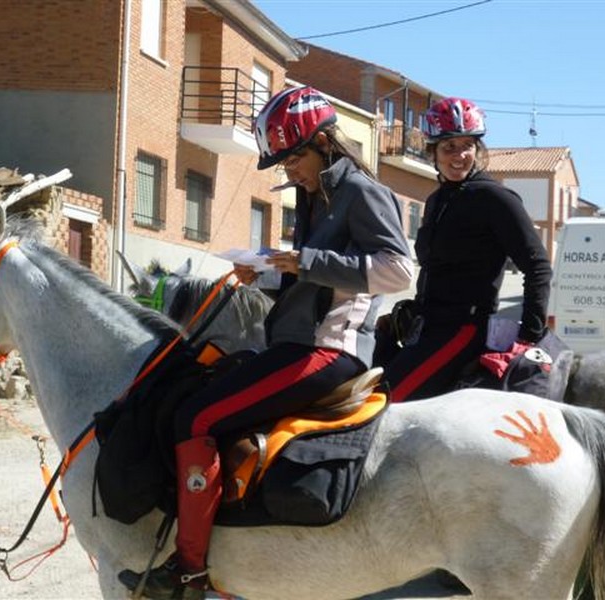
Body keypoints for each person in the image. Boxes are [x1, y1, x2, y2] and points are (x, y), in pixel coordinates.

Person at [119, 85, 413, 599]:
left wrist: (304, 262)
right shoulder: (313, 196)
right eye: (283, 162)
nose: (289, 170)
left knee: (198, 419)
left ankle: (190, 571)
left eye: (293, 157)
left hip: (329, 351)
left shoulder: (362, 192)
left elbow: (398, 271)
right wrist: (269, 275)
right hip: (296, 342)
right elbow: (317, 280)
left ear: (324, 142)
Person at [380, 96, 552, 403]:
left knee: (386, 400)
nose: (459, 155)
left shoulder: (496, 198)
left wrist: (529, 335)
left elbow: (538, 265)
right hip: (428, 325)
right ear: (432, 152)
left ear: (478, 150)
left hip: (463, 329)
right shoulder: (436, 201)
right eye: (448, 147)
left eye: (467, 146)